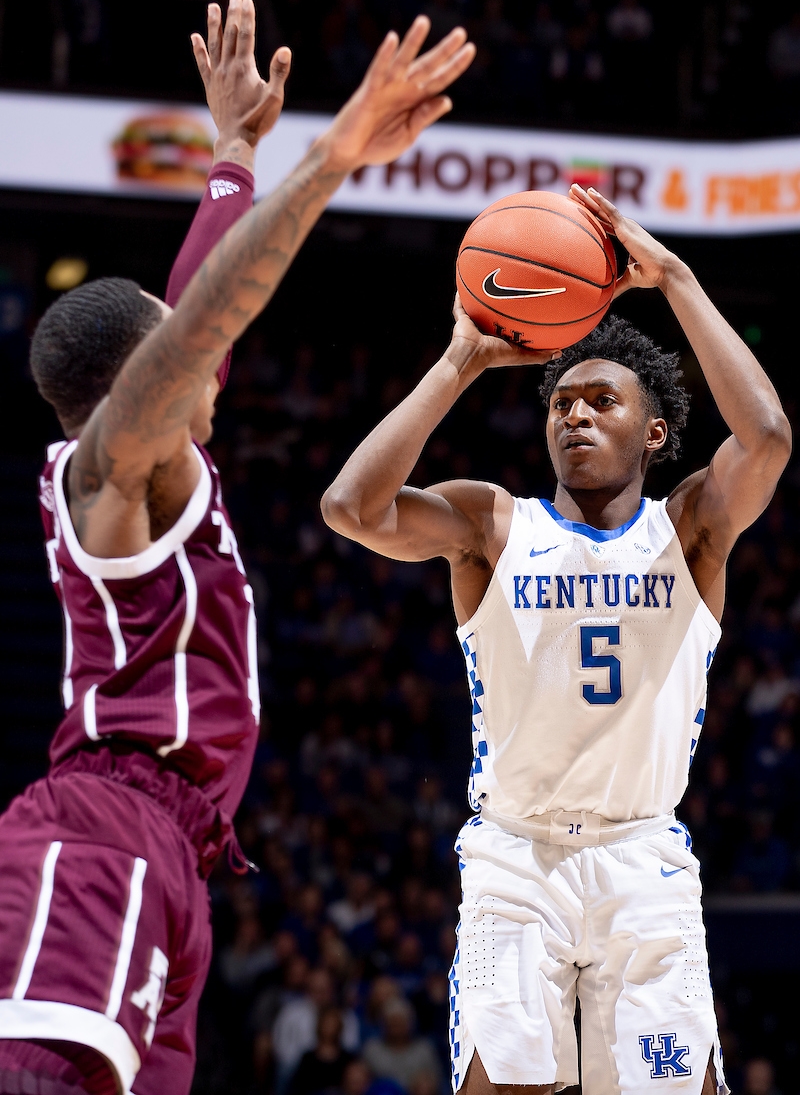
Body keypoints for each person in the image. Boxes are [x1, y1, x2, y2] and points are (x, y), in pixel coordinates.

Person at [0, 0, 475, 1095]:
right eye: (180, 356)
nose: (212, 360)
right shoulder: (107, 477)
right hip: (101, 834)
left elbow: (189, 314)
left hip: (175, 852)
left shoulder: (160, 455)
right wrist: (332, 158)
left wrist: (231, 154)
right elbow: (203, 319)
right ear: (139, 386)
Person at [321, 184, 791, 1095]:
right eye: (560, 402)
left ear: (654, 432)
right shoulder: (492, 525)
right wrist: (459, 362)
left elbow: (766, 435)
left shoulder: (690, 529)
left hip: (641, 860)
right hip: (515, 859)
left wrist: (679, 279)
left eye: (600, 401)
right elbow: (351, 508)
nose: (573, 413)